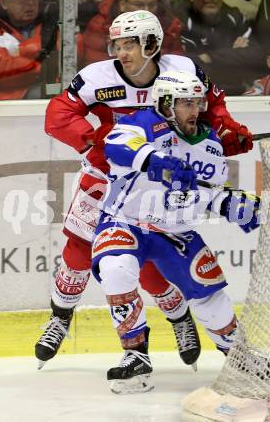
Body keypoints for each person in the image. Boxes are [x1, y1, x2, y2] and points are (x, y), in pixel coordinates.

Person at [36, 10, 254, 370]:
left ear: (152, 43)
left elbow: (211, 108)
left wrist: (227, 130)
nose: (121, 52)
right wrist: (92, 141)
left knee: (151, 258)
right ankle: (60, 317)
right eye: (117, 45)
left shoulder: (182, 70)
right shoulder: (96, 77)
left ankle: (178, 317)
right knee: (78, 251)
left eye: (130, 44)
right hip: (105, 179)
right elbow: (58, 114)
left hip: (159, 183)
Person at [91, 70, 260, 393]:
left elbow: (204, 194)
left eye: (197, 102)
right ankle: (135, 355)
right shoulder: (139, 122)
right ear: (166, 104)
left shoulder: (209, 145)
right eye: (185, 103)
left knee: (210, 298)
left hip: (175, 231)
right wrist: (156, 160)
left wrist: (230, 204)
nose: (195, 110)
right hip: (126, 220)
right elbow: (116, 147)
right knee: (117, 269)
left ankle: (240, 358)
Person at [173, 0, 263, 94]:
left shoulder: (234, 15)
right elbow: (187, 65)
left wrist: (209, 57)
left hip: (237, 94)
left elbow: (258, 55)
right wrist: (232, 54)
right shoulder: (179, 19)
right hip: (195, 93)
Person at [0, 0, 60, 99]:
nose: (31, 2)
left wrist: (19, 50)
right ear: (4, 2)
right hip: (10, 104)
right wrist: (45, 63)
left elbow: (73, 46)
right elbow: (2, 70)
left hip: (52, 90)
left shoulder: (49, 15)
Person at [82, 0, 183, 65]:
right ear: (122, 4)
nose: (146, 11)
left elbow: (177, 67)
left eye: (152, 5)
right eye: (139, 5)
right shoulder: (101, 25)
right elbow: (97, 72)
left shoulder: (169, 26)